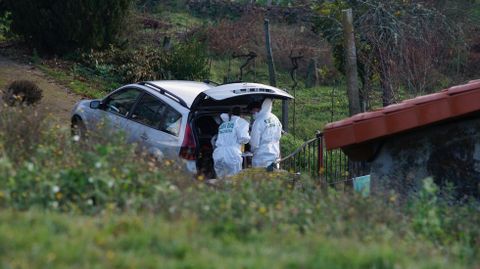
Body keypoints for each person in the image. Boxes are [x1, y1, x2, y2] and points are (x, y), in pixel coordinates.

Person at [212, 106, 250, 178]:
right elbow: (244, 138)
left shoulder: (223, 124)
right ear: (241, 114)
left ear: (230, 114)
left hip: (218, 153)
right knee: (234, 178)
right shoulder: (241, 122)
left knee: (220, 179)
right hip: (232, 154)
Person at [249, 98, 282, 168]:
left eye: (253, 112)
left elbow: (254, 142)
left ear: (259, 108)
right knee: (274, 176)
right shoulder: (275, 118)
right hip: (275, 153)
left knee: (261, 177)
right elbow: (279, 136)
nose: (253, 114)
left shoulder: (258, 121)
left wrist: (251, 150)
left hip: (262, 156)